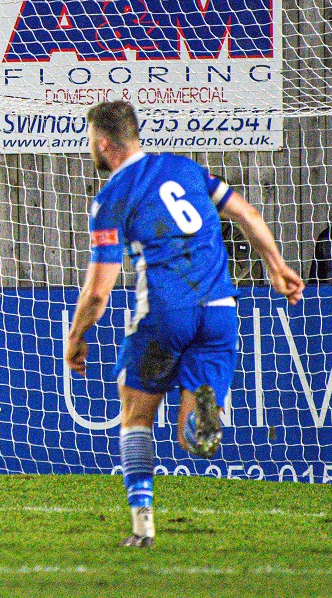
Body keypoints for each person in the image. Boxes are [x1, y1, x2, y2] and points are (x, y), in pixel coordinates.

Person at [65, 101, 304, 548]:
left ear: (102, 143)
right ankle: (202, 421)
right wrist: (277, 267)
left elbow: (98, 292)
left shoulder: (111, 198)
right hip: (219, 311)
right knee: (189, 437)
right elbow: (248, 214)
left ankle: (142, 526)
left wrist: (77, 337)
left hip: (164, 313)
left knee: (136, 418)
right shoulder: (187, 168)